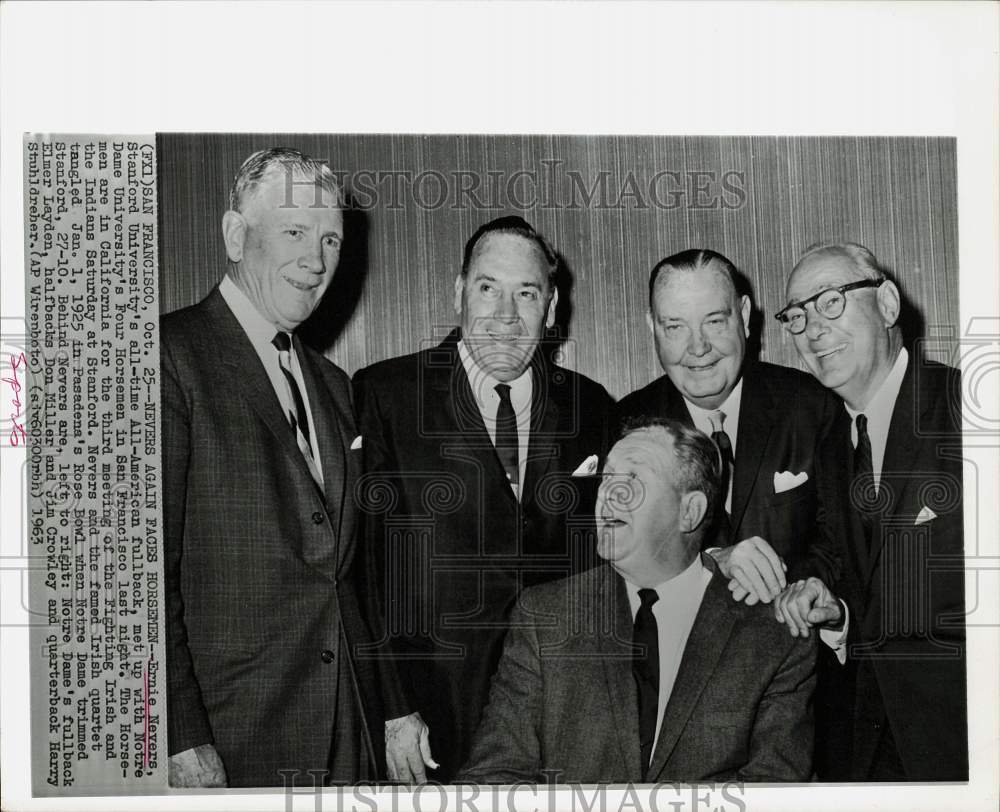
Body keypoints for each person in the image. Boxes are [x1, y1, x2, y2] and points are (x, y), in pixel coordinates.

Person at [162, 148, 429, 787]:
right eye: (294, 232)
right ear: (235, 235)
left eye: (330, 238)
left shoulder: (334, 385)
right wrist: (177, 734)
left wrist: (389, 708)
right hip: (229, 738)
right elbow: (140, 576)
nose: (315, 260)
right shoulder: (166, 358)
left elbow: (346, 572)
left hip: (345, 731)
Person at [353, 216, 614, 781]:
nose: (505, 315)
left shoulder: (593, 407)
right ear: (458, 293)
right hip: (428, 715)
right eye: (487, 288)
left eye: (526, 293)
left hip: (555, 718)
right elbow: (364, 570)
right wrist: (395, 708)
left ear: (551, 307)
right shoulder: (386, 395)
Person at [458, 417, 817, 784]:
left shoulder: (773, 633)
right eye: (607, 478)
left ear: (689, 511)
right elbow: (494, 777)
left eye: (634, 480)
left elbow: (774, 792)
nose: (609, 495)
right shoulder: (546, 616)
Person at [774, 241, 967, 780]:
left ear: (886, 304)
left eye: (831, 301)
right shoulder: (831, 441)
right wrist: (826, 598)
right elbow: (848, 560)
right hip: (863, 752)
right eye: (797, 316)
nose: (812, 330)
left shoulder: (967, 410)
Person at [616, 249, 842, 605]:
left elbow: (841, 545)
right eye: (675, 327)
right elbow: (620, 564)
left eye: (715, 322)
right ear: (652, 328)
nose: (698, 347)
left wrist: (794, 591)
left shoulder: (811, 405)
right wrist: (710, 564)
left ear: (745, 315)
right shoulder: (625, 426)